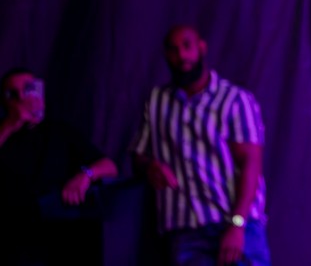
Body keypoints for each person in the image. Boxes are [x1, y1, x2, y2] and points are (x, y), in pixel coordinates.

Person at [132, 26, 271, 266]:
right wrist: (149, 166)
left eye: (187, 46)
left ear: (201, 48)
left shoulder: (235, 100)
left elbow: (251, 163)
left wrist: (237, 224)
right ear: (166, 55)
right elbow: (138, 155)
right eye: (174, 49)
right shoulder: (157, 101)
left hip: (234, 224)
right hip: (185, 232)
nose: (182, 56)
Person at [0, 67, 118, 265]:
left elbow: (109, 166)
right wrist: (11, 124)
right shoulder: (4, 133)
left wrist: (85, 175)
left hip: (57, 234)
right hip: (11, 236)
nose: (21, 98)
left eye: (27, 90)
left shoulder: (59, 131)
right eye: (13, 94)